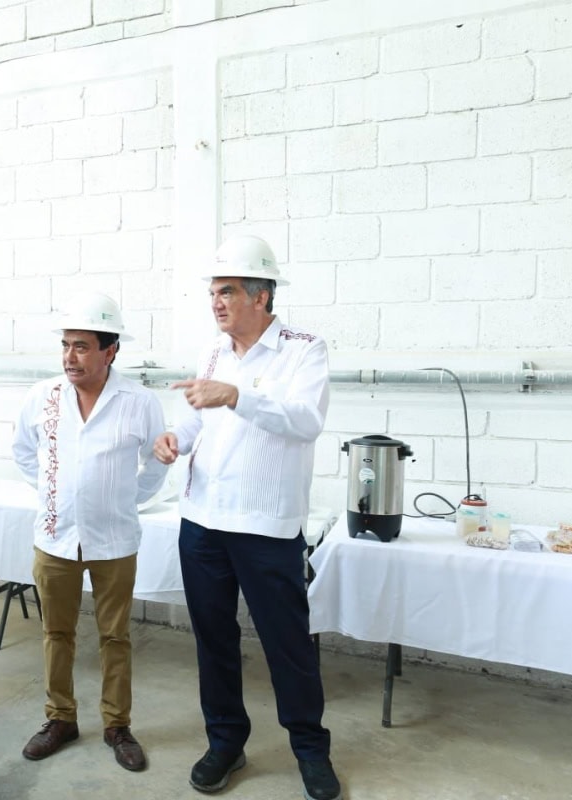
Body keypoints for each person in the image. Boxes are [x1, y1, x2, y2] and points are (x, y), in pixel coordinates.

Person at [153, 235, 342, 800]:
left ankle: (310, 750)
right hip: (203, 522)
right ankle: (225, 742)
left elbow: (305, 421)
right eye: (213, 292)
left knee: (287, 645)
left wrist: (236, 396)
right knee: (213, 640)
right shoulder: (214, 352)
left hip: (266, 527)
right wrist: (174, 437)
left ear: (262, 295)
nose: (217, 302)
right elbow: (198, 418)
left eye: (228, 291)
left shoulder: (304, 349)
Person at [12, 292, 168, 773]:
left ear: (110, 350)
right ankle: (60, 718)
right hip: (55, 536)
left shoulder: (139, 402)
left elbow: (156, 464)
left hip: (114, 541)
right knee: (56, 632)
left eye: (81, 346)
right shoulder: (43, 396)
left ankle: (117, 725)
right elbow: (23, 452)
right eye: (65, 345)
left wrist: (123, 501)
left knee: (114, 635)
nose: (69, 357)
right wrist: (55, 495)